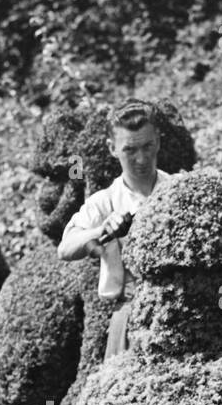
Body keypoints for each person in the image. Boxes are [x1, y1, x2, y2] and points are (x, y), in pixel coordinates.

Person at [56, 100, 175, 358]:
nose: (141, 158)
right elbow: (65, 249)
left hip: (183, 312)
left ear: (159, 140)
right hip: (130, 317)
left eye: (148, 146)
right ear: (112, 149)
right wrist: (101, 230)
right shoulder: (105, 201)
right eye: (130, 150)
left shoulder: (179, 190)